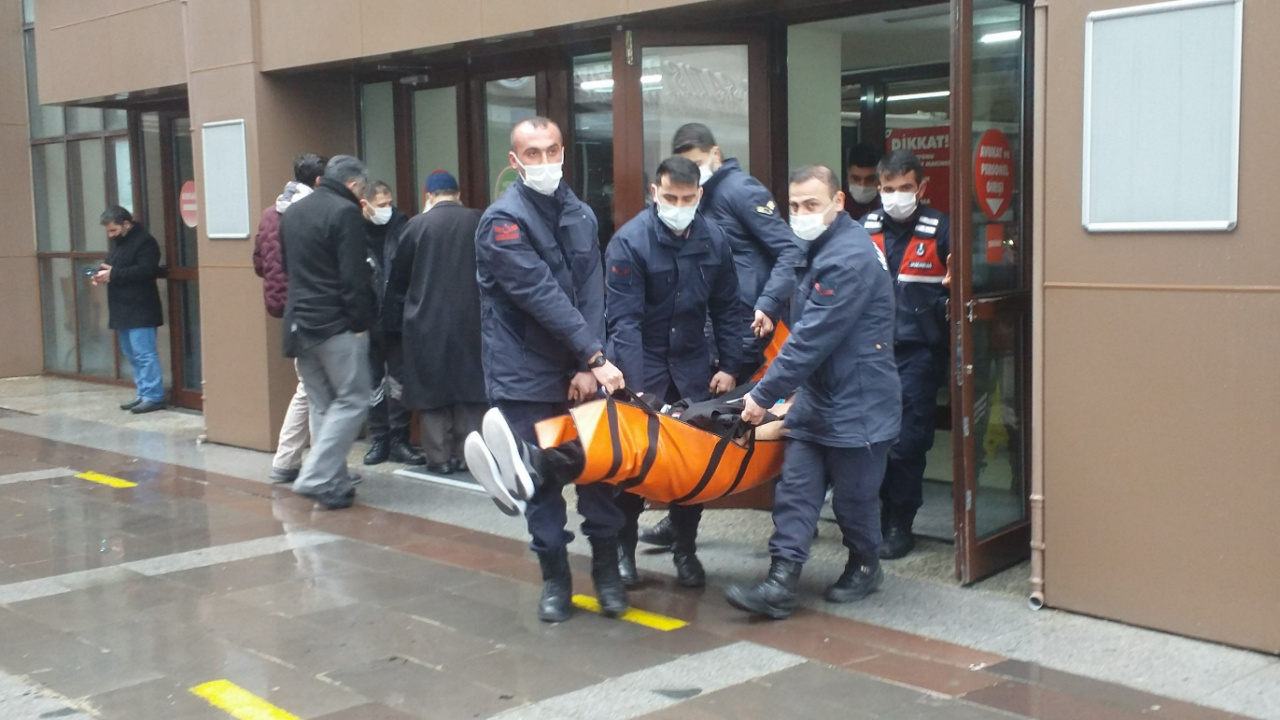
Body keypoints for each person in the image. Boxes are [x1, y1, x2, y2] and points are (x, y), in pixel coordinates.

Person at [724, 164, 901, 620]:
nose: (800, 214)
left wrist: (763, 396)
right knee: (796, 491)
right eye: (795, 206)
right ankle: (781, 583)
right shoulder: (817, 243)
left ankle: (866, 563)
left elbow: (810, 338)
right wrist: (767, 305)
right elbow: (789, 274)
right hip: (819, 398)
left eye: (811, 205)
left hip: (860, 402)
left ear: (838, 203)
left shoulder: (850, 258)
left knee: (854, 501)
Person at [472, 116, 629, 624]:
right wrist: (593, 357)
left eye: (552, 150)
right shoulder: (502, 222)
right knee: (539, 482)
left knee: (599, 470)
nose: (544, 161)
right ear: (514, 162)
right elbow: (539, 295)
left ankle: (606, 574)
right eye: (532, 153)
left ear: (564, 151)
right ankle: (556, 581)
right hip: (526, 371)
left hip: (581, 367)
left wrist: (590, 360)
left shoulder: (581, 214)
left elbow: (590, 294)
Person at [639, 123, 806, 553]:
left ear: (714, 153)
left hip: (754, 332)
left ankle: (794, 524)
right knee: (697, 425)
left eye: (698, 164)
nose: (693, 175)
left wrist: (768, 303)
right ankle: (682, 521)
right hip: (717, 334)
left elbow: (790, 249)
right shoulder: (698, 201)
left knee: (762, 423)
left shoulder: (739, 190)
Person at [604, 156, 747, 589]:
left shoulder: (714, 240)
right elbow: (623, 321)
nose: (679, 205)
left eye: (687, 198)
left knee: (692, 462)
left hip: (692, 365)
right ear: (654, 193)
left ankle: (685, 550)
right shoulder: (629, 242)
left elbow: (727, 308)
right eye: (670, 197)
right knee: (633, 467)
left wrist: (732, 366)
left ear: (700, 195)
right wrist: (633, 388)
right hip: (642, 363)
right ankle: (623, 553)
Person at [861, 149, 952, 560]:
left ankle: (900, 522)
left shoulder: (941, 230)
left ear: (921, 188)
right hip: (870, 353)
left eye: (906, 188)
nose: (897, 196)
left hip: (918, 353)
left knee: (907, 441)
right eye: (889, 189)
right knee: (870, 439)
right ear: (878, 189)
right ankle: (875, 518)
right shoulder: (863, 229)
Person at [279, 155, 377, 510]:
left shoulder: (293, 212)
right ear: (354, 185)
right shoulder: (345, 212)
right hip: (336, 323)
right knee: (353, 398)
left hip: (299, 323)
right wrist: (359, 323)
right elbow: (353, 277)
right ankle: (318, 475)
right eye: (363, 189)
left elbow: (288, 269)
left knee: (322, 405)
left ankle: (332, 485)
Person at [395, 170, 486, 474]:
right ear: (458, 194)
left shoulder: (415, 226)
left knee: (432, 392)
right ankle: (468, 455)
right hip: (474, 319)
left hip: (426, 321)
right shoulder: (479, 220)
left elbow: (399, 279)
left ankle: (439, 458)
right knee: (471, 388)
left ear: (428, 196)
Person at [254, 153, 326, 483]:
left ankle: (288, 461)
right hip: (311, 305)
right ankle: (317, 465)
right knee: (315, 388)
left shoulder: (271, 213)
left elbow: (259, 262)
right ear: (318, 182)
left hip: (286, 308)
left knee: (309, 387)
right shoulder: (312, 212)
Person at [360, 181, 425, 467]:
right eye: (381, 204)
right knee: (372, 383)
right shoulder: (353, 231)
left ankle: (400, 438)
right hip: (367, 320)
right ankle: (379, 438)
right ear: (366, 205)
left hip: (398, 319)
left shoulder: (402, 227)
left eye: (389, 203)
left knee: (399, 382)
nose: (387, 209)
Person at [93, 206, 166, 414]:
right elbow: (112, 267)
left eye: (114, 230)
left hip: (141, 307)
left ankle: (153, 396)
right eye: (108, 231)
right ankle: (143, 392)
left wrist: (113, 275)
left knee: (144, 353)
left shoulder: (145, 242)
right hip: (122, 307)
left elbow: (146, 270)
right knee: (132, 353)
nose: (111, 235)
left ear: (127, 224)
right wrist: (101, 274)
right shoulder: (119, 242)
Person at [845, 142, 883, 219]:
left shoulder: (888, 207)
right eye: (856, 179)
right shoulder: (836, 208)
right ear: (848, 174)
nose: (863, 185)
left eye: (870, 179)